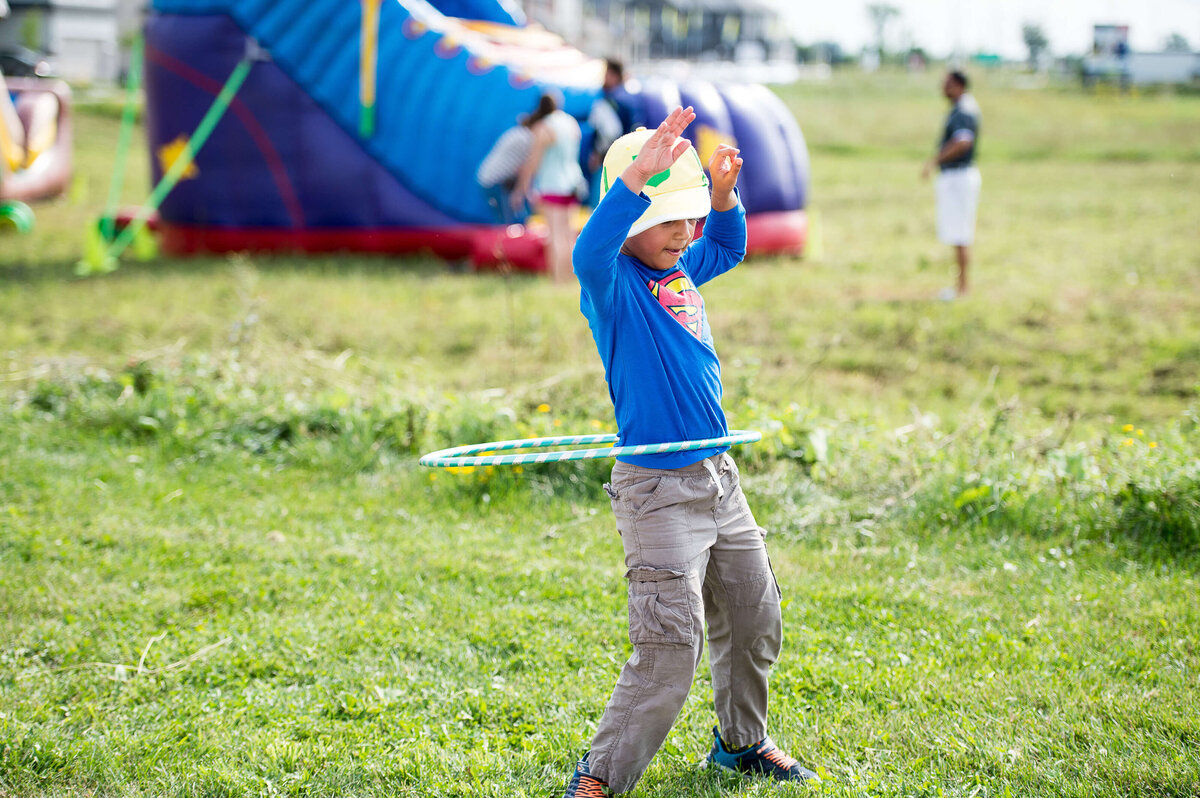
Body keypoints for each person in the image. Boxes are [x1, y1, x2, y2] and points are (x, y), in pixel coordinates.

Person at [562, 106, 818, 796]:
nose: (686, 232)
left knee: (753, 614)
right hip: (658, 489)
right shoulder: (614, 288)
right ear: (635, 220)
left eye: (690, 216)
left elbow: (728, 248)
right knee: (671, 647)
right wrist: (636, 183)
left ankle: (741, 742)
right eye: (668, 218)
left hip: (718, 477)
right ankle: (600, 777)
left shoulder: (680, 273)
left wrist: (726, 197)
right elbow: (587, 251)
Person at [511, 93, 585, 284]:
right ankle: (572, 278)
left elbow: (533, 161)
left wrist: (521, 188)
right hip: (573, 183)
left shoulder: (543, 127)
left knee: (555, 236)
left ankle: (558, 281)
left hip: (552, 185)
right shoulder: (571, 123)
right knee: (569, 235)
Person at [921, 70, 981, 298]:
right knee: (957, 231)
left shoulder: (964, 110)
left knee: (961, 232)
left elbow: (963, 141)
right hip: (956, 177)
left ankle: (962, 288)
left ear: (957, 84)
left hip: (958, 177)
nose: (942, 88)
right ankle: (960, 285)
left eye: (945, 83)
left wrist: (936, 160)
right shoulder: (961, 107)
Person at [585, 58, 636, 203]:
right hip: (626, 158)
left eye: (606, 74)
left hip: (608, 159)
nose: (604, 78)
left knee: (600, 202)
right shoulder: (629, 99)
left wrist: (597, 154)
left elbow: (609, 132)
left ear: (614, 76)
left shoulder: (609, 101)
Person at [476, 115, 533, 224]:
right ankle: (503, 238)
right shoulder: (527, 138)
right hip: (493, 180)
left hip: (487, 177)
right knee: (504, 220)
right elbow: (525, 169)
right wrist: (521, 192)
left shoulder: (515, 132)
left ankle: (503, 235)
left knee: (503, 217)